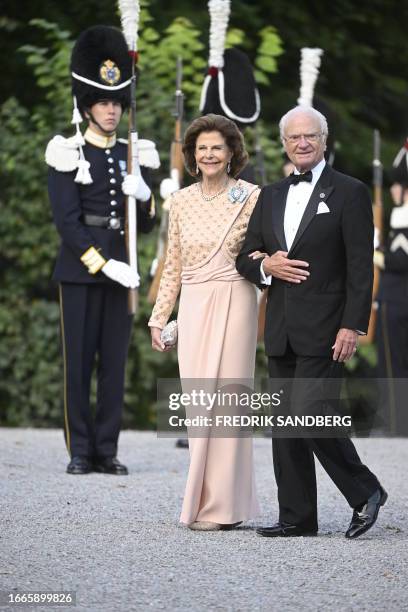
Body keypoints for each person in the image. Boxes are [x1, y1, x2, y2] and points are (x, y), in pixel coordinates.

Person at [236, 105, 387, 539]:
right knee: (284, 424)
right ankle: (297, 517)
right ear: (285, 144)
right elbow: (246, 255)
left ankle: (365, 490)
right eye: (293, 137)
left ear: (324, 140)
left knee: (308, 414)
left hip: (327, 327)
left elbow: (362, 267)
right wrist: (268, 266)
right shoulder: (270, 195)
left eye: (310, 136)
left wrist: (353, 325)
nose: (302, 143)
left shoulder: (350, 192)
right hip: (281, 326)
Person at [46, 26, 159, 475]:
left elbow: (146, 223)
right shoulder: (66, 151)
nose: (111, 111)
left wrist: (145, 193)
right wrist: (102, 263)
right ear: (87, 106)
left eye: (116, 103)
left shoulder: (132, 152)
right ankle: (80, 449)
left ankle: (107, 449)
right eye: (103, 103)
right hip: (81, 272)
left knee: (114, 365)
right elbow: (66, 222)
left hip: (124, 268)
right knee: (78, 363)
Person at [149, 113, 261, 530]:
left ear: (232, 153)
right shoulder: (179, 200)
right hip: (194, 304)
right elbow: (172, 265)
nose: (210, 154)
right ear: (193, 156)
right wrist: (159, 318)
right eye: (202, 149)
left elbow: (260, 255)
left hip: (236, 297)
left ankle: (224, 510)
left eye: (217, 147)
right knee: (199, 406)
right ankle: (201, 502)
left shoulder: (251, 195)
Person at [374, 143, 408, 436]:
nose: (394, 189)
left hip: (397, 299)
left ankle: (397, 423)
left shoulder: (403, 216)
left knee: (392, 363)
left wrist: (373, 250)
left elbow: (399, 261)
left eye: (398, 184)